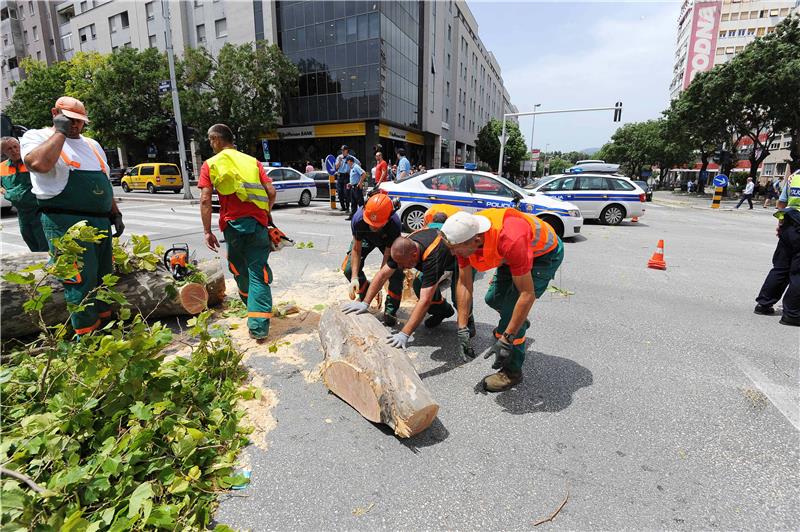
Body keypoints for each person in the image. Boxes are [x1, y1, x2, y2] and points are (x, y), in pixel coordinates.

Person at [21, 96, 124, 335]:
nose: (76, 126)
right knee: (79, 282)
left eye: (80, 121)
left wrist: (115, 212)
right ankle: (88, 341)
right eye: (70, 120)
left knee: (104, 280)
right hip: (65, 222)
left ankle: (107, 332)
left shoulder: (92, 145)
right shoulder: (37, 137)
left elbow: (104, 183)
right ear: (55, 113)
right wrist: (60, 132)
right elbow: (38, 164)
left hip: (99, 222)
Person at [441, 208, 563, 392]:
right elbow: (464, 284)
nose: (452, 254)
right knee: (493, 299)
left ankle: (512, 372)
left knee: (510, 316)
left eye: (454, 249)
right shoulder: (465, 236)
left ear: (475, 240)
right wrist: (462, 327)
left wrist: (507, 338)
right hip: (511, 257)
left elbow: (526, 294)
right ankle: (516, 320)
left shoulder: (511, 238)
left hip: (543, 256)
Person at [199, 124, 277, 341]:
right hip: (258, 226)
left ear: (216, 139)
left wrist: (207, 231)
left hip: (233, 228)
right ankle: (258, 323)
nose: (211, 145)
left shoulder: (210, 164)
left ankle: (253, 313)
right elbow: (271, 191)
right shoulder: (253, 162)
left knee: (239, 270)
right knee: (257, 272)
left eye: (210, 141)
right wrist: (265, 215)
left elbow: (205, 199)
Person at [341, 194, 404, 326]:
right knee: (348, 268)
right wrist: (354, 277)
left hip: (387, 241)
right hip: (365, 239)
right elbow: (357, 250)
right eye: (371, 224)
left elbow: (387, 257)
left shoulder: (394, 224)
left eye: (377, 225)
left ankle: (390, 310)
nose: (374, 227)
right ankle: (364, 293)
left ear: (387, 218)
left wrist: (379, 282)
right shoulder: (358, 219)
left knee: (396, 272)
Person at [754, 170, 800, 326]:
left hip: (789, 223)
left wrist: (781, 224)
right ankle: (792, 314)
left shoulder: (795, 176)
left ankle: (764, 304)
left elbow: (781, 203)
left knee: (781, 266)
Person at [1, 136, 48, 251]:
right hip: (22, 213)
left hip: (39, 211)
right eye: (9, 149)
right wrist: (6, 193)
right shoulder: (2, 167)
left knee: (44, 244)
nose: (14, 150)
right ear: (3, 152)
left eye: (15, 146)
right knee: (29, 239)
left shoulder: (31, 162)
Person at [335, 145, 359, 212]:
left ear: (347, 150)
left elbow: (359, 163)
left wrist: (352, 169)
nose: (342, 151)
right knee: (340, 192)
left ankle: (347, 208)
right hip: (340, 176)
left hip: (347, 176)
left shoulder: (351, 157)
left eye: (343, 150)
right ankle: (343, 207)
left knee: (346, 193)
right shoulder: (339, 157)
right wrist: (339, 161)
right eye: (341, 150)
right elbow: (336, 167)